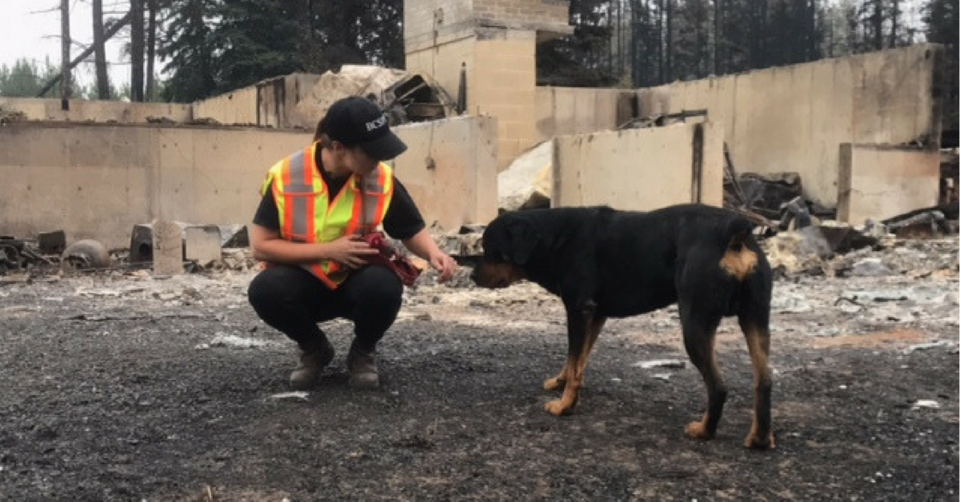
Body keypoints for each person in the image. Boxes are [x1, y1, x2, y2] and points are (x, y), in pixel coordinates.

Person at [247, 96, 458, 391]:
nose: (378, 161)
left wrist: (435, 254)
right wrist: (329, 250)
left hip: (355, 283)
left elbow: (409, 228)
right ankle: (314, 349)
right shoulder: (287, 176)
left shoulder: (380, 178)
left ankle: (363, 352)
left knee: (385, 286)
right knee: (265, 290)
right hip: (302, 283)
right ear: (337, 148)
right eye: (371, 153)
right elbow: (261, 246)